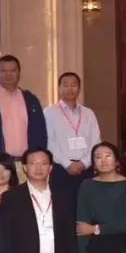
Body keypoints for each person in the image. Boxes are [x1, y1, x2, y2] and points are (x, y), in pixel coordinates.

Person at [0, 55, 48, 175]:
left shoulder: (31, 100)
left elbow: (41, 134)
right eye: (4, 71)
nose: (8, 74)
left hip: (27, 165)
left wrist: (39, 161)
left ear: (19, 73)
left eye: (13, 70)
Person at [45, 72, 102, 216]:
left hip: (86, 170)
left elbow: (96, 141)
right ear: (59, 88)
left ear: (79, 88)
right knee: (63, 213)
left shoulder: (88, 113)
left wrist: (84, 163)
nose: (70, 88)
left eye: (74, 85)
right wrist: (67, 164)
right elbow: (49, 142)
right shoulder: (49, 112)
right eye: (65, 85)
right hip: (61, 170)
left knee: (87, 212)